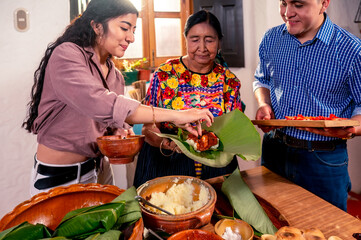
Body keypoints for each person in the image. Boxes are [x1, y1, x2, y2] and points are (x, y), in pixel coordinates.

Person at [22, 0, 214, 196]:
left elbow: (111, 122)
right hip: (59, 178)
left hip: (99, 170)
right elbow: (102, 103)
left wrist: (121, 132)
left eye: (134, 30)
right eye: (124, 28)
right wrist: (177, 115)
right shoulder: (66, 55)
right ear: (97, 26)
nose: (131, 38)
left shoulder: (115, 76)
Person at [253, 0, 361, 211]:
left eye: (298, 5)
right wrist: (264, 103)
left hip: (323, 159)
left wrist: (352, 128)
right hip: (274, 150)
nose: (287, 13)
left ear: (323, 3)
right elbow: (262, 80)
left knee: (325, 229)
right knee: (271, 224)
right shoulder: (271, 38)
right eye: (283, 3)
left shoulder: (352, 50)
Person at [133, 10, 243, 188]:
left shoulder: (229, 81)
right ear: (185, 39)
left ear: (219, 42)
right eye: (194, 39)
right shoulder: (164, 75)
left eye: (209, 40)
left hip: (215, 168)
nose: (202, 47)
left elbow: (234, 129)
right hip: (167, 164)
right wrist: (166, 143)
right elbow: (149, 127)